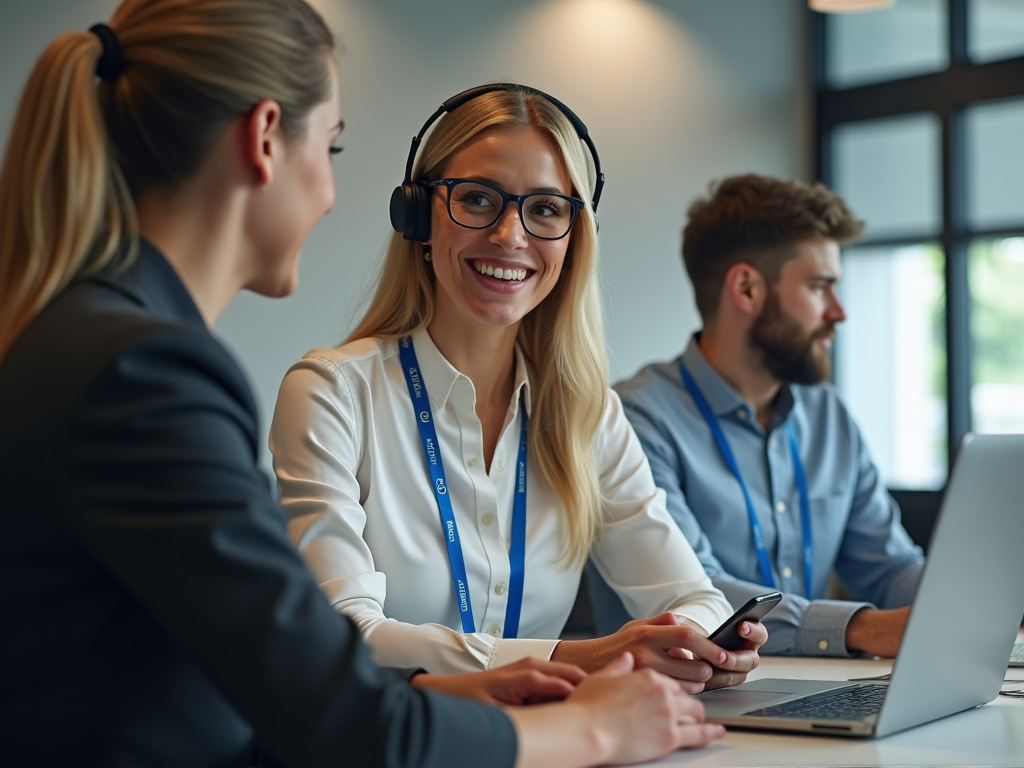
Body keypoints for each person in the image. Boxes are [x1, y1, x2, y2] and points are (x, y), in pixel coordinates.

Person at [0, 3, 727, 766]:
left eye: (544, 211)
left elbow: (268, 688)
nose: (330, 195)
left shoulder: (101, 339)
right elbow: (338, 715)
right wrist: (596, 726)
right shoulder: (147, 371)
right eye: (333, 147)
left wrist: (449, 690)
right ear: (264, 138)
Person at [269, 83, 767, 692]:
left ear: (573, 238)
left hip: (549, 742)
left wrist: (693, 645)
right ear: (419, 218)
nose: (510, 235)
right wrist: (575, 658)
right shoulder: (332, 394)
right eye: (477, 199)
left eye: (546, 209)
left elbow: (694, 596)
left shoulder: (588, 414)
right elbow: (342, 633)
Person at [587, 174, 926, 658]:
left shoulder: (828, 416)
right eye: (819, 287)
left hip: (812, 687)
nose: (840, 311)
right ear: (746, 288)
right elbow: (692, 596)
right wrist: (861, 628)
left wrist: (977, 606)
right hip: (680, 696)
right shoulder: (635, 420)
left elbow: (890, 568)